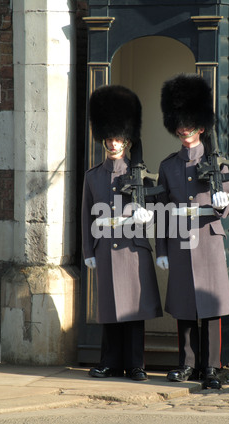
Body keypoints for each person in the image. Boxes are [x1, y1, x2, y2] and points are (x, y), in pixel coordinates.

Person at [156, 74, 229, 389]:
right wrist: (161, 250)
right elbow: (162, 212)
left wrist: (220, 203)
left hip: (209, 240)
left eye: (189, 123)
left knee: (211, 306)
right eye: (180, 124)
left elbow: (227, 205)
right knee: (184, 304)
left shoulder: (218, 164)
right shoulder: (168, 166)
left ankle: (212, 367)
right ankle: (187, 364)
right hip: (180, 241)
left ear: (201, 126)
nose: (184, 129)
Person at [82, 85, 163, 381]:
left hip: (133, 247)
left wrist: (149, 214)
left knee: (135, 310)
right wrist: (88, 251)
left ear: (127, 141)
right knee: (110, 310)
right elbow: (85, 216)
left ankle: (136, 364)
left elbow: (158, 212)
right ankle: (110, 362)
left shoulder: (141, 174)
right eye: (110, 138)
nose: (114, 143)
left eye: (118, 138)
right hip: (105, 247)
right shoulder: (93, 176)